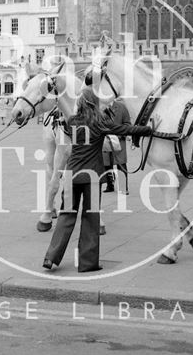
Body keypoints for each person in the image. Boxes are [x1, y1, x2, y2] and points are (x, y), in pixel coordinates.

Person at [42, 88, 158, 273]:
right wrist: (149, 129)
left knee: (66, 216)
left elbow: (64, 122)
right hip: (92, 178)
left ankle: (51, 258)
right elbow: (126, 129)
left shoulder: (72, 121)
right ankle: (87, 263)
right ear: (95, 104)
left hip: (72, 175)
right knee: (90, 219)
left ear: (80, 103)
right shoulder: (100, 122)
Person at [102, 98, 131, 194]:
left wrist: (120, 134)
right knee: (106, 165)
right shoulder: (99, 106)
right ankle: (110, 185)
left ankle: (123, 188)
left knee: (121, 165)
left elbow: (127, 123)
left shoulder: (121, 107)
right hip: (105, 140)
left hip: (119, 140)